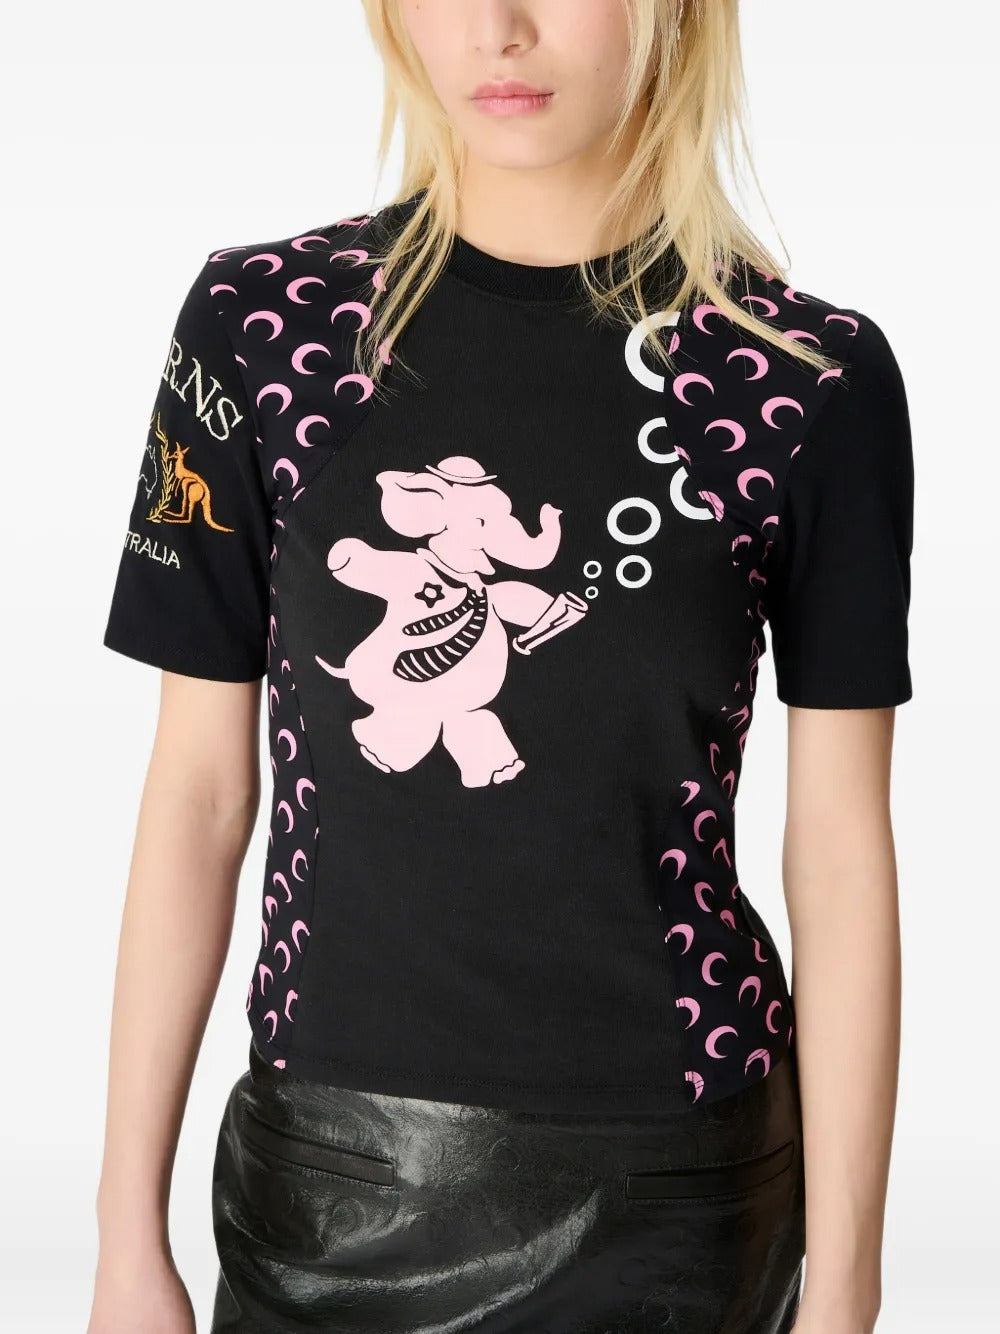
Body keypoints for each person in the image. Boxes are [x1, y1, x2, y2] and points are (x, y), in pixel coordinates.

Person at [88, 2, 914, 1332]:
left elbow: (840, 851)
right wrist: (124, 1236)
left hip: (681, 1192)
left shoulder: (802, 382)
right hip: (334, 1180)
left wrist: (849, 1288)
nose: (498, 27)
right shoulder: (264, 330)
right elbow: (198, 796)